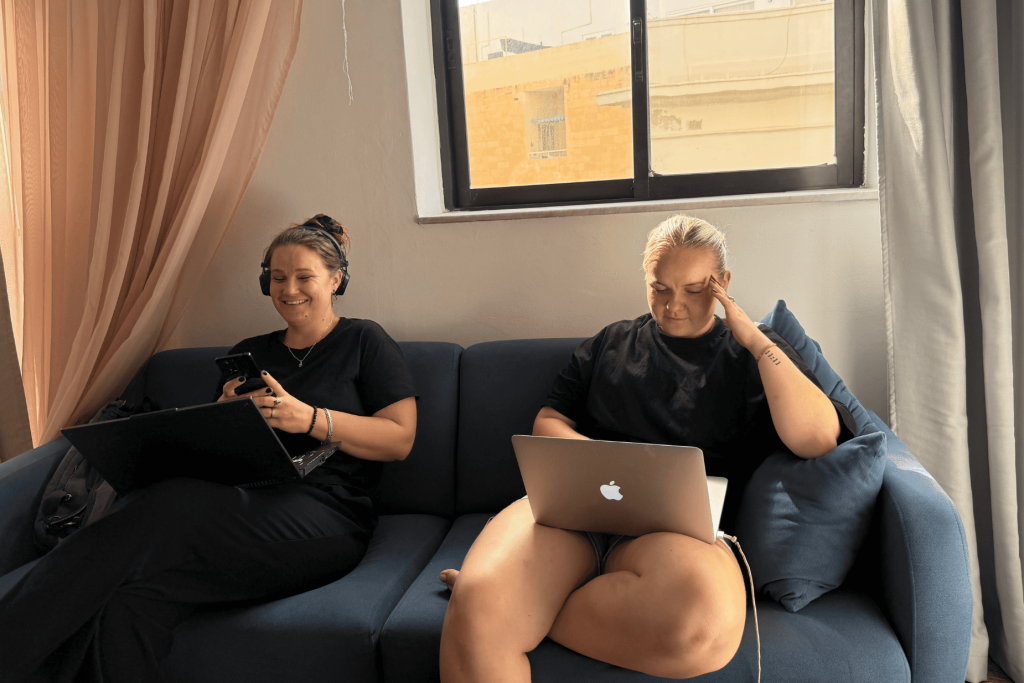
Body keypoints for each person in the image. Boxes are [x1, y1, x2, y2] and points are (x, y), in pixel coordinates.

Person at [0, 214, 417, 683]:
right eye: (278, 277)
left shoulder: (364, 340)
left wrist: (312, 419)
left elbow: (400, 439)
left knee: (169, 502)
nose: (289, 288)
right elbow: (212, 454)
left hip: (326, 514)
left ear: (336, 279)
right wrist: (221, 414)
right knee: (129, 600)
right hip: (238, 506)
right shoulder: (250, 351)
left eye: (305, 277)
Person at [438, 213, 854, 682]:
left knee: (700, 629)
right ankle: (493, 604)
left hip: (680, 536)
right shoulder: (611, 341)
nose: (674, 305)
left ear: (723, 284)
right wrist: (597, 462)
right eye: (660, 288)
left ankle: (516, 608)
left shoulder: (752, 353)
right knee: (476, 619)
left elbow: (819, 438)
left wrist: (753, 338)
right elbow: (549, 420)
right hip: (577, 511)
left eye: (694, 290)